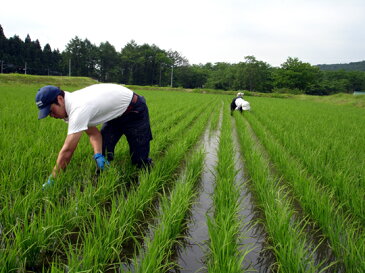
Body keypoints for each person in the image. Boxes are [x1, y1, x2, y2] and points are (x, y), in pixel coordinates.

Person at [35, 83, 153, 187]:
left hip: (134, 110)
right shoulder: (70, 109)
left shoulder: (78, 108)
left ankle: (144, 182)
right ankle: (103, 183)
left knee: (139, 159)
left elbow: (68, 151)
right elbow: (93, 134)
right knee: (104, 151)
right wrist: (98, 155)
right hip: (115, 115)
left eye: (51, 111)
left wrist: (53, 178)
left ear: (60, 99)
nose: (52, 115)